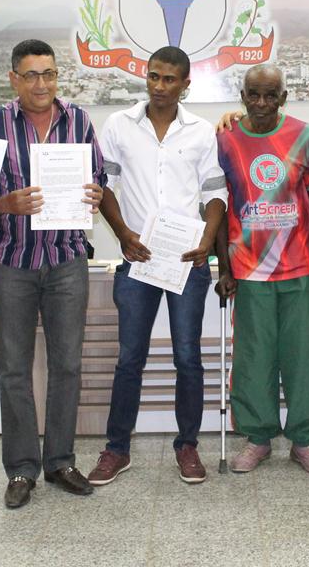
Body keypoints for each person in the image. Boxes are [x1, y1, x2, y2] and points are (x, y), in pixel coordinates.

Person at [0, 39, 105, 509]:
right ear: (13, 79)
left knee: (67, 365)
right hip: (12, 261)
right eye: (31, 75)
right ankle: (22, 469)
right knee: (14, 369)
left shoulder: (79, 121)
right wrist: (3, 205)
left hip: (67, 258)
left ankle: (61, 461)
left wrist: (92, 192)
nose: (42, 84)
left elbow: (100, 179)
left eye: (48, 74)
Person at [88, 46, 228, 486]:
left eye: (171, 79)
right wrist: (123, 233)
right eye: (154, 77)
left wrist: (207, 240)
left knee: (188, 357)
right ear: (146, 79)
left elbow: (216, 193)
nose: (160, 86)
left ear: (186, 84)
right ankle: (116, 449)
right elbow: (104, 185)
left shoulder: (202, 132)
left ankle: (187, 446)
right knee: (130, 358)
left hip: (187, 261)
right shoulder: (119, 125)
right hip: (137, 260)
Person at [214, 65, 309, 476]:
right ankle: (258, 437)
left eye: (270, 95)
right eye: (253, 94)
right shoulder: (225, 138)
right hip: (248, 269)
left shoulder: (306, 136)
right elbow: (218, 206)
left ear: (283, 97)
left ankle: (305, 438)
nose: (261, 104)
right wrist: (223, 266)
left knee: (304, 358)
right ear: (242, 94)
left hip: (298, 267)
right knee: (253, 358)